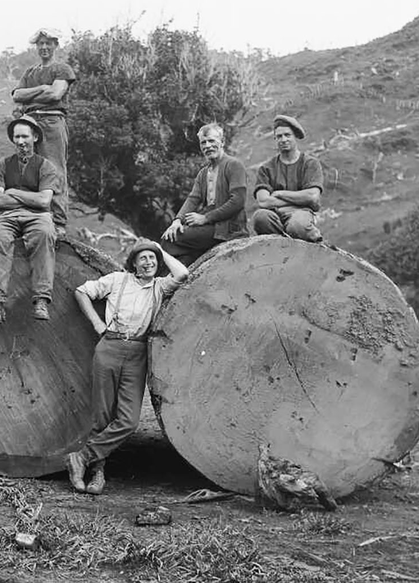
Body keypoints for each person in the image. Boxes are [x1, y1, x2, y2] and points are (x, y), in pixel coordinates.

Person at [68, 241, 189, 495]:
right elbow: (81, 292)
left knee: (128, 420)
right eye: (143, 258)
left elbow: (183, 274)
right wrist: (97, 324)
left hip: (137, 352)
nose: (149, 262)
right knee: (102, 415)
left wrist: (160, 249)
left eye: (152, 259)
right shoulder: (117, 280)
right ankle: (97, 473)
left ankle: (81, 456)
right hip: (109, 346)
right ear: (133, 263)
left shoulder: (159, 286)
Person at [0, 115, 61, 325]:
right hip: (6, 216)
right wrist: (29, 197)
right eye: (17, 137)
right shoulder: (1, 165)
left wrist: (13, 192)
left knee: (44, 233)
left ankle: (41, 299)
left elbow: (44, 200)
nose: (20, 141)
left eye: (24, 136)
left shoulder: (46, 167)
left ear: (35, 137)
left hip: (37, 216)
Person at [11, 28, 77, 234]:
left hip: (51, 120)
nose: (44, 47)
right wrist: (41, 89)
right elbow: (16, 95)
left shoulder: (61, 69)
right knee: (28, 168)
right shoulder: (30, 72)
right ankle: (33, 218)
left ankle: (58, 221)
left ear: (55, 45)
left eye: (48, 43)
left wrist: (29, 97)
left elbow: (55, 94)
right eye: (40, 44)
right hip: (29, 122)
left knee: (54, 168)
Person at [160, 123, 249, 265]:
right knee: (172, 237)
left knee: (169, 240)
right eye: (203, 143)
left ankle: (162, 283)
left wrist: (205, 218)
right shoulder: (203, 173)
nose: (207, 146)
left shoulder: (234, 165)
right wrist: (177, 221)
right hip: (211, 229)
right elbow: (193, 198)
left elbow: (237, 201)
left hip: (229, 229)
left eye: (211, 141)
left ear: (222, 142)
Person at [251, 115, 325, 242]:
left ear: (295, 136)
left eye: (287, 135)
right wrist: (300, 198)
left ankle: (315, 241)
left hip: (302, 213)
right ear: (275, 139)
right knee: (260, 217)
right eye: (279, 136)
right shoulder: (266, 168)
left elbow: (312, 196)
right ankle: (282, 243)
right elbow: (263, 202)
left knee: (297, 225)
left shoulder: (310, 164)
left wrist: (280, 193)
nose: (283, 139)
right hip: (275, 215)